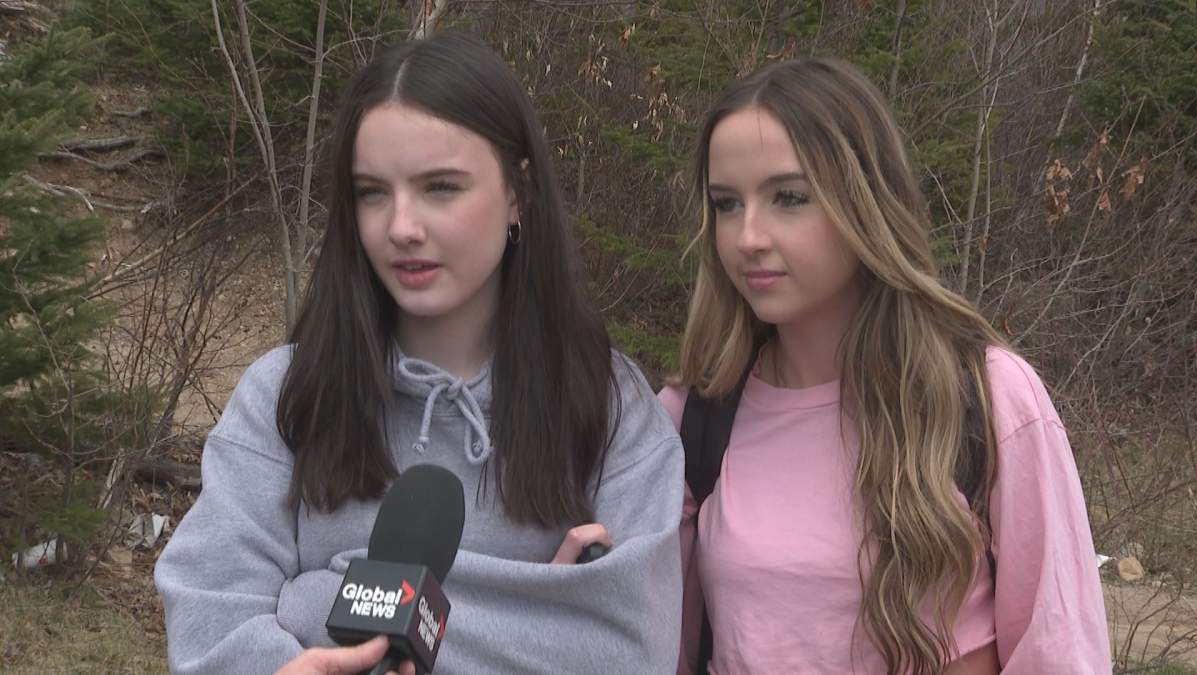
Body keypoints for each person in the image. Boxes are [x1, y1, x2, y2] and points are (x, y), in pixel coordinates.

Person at [154, 30, 683, 675]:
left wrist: (317, 596)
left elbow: (631, 650)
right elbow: (207, 617)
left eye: (440, 187)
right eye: (372, 192)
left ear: (518, 195)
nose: (401, 226)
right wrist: (536, 612)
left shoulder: (610, 403)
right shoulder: (285, 395)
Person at [658, 57, 1110, 674]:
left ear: (864, 200)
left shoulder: (986, 397)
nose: (748, 236)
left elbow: (1059, 653)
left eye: (789, 198)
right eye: (727, 204)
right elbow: (661, 650)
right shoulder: (693, 419)